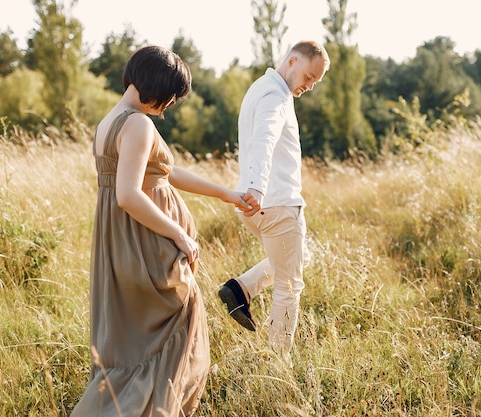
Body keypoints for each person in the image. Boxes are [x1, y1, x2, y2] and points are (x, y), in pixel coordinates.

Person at [71, 45, 250, 417]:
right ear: (154, 84)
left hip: (122, 245)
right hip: (146, 245)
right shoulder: (137, 123)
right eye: (170, 95)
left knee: (135, 344)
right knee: (174, 333)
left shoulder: (113, 119)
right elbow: (128, 195)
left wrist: (223, 194)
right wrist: (180, 235)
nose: (169, 105)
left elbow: (162, 173)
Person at [218, 40, 330, 356]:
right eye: (309, 77)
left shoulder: (261, 88)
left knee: (301, 257)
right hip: (275, 202)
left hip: (260, 205)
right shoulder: (275, 95)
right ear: (292, 61)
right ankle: (278, 367)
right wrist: (256, 187)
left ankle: (240, 289)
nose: (310, 86)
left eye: (315, 82)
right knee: (289, 287)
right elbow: (264, 140)